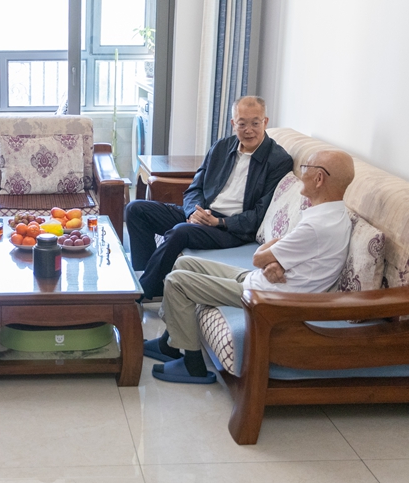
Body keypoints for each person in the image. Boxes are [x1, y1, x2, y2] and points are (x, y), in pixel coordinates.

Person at [146, 150, 355, 384]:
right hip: (265, 281)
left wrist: (270, 257)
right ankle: (169, 344)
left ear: (319, 178)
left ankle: (192, 365)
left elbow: (259, 258)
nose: (301, 173)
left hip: (269, 297)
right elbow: (288, 254)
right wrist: (274, 260)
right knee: (184, 262)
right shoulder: (333, 214)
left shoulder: (317, 226)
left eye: (306, 167)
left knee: (177, 282)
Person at [126, 96, 293, 303]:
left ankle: (139, 295)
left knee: (180, 232)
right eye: (242, 124)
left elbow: (259, 214)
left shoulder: (278, 160)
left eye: (255, 123)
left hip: (232, 229)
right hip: (204, 214)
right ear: (233, 124)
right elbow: (195, 188)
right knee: (136, 209)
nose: (249, 130)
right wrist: (193, 213)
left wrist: (219, 222)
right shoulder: (222, 147)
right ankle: (150, 280)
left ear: (265, 122)